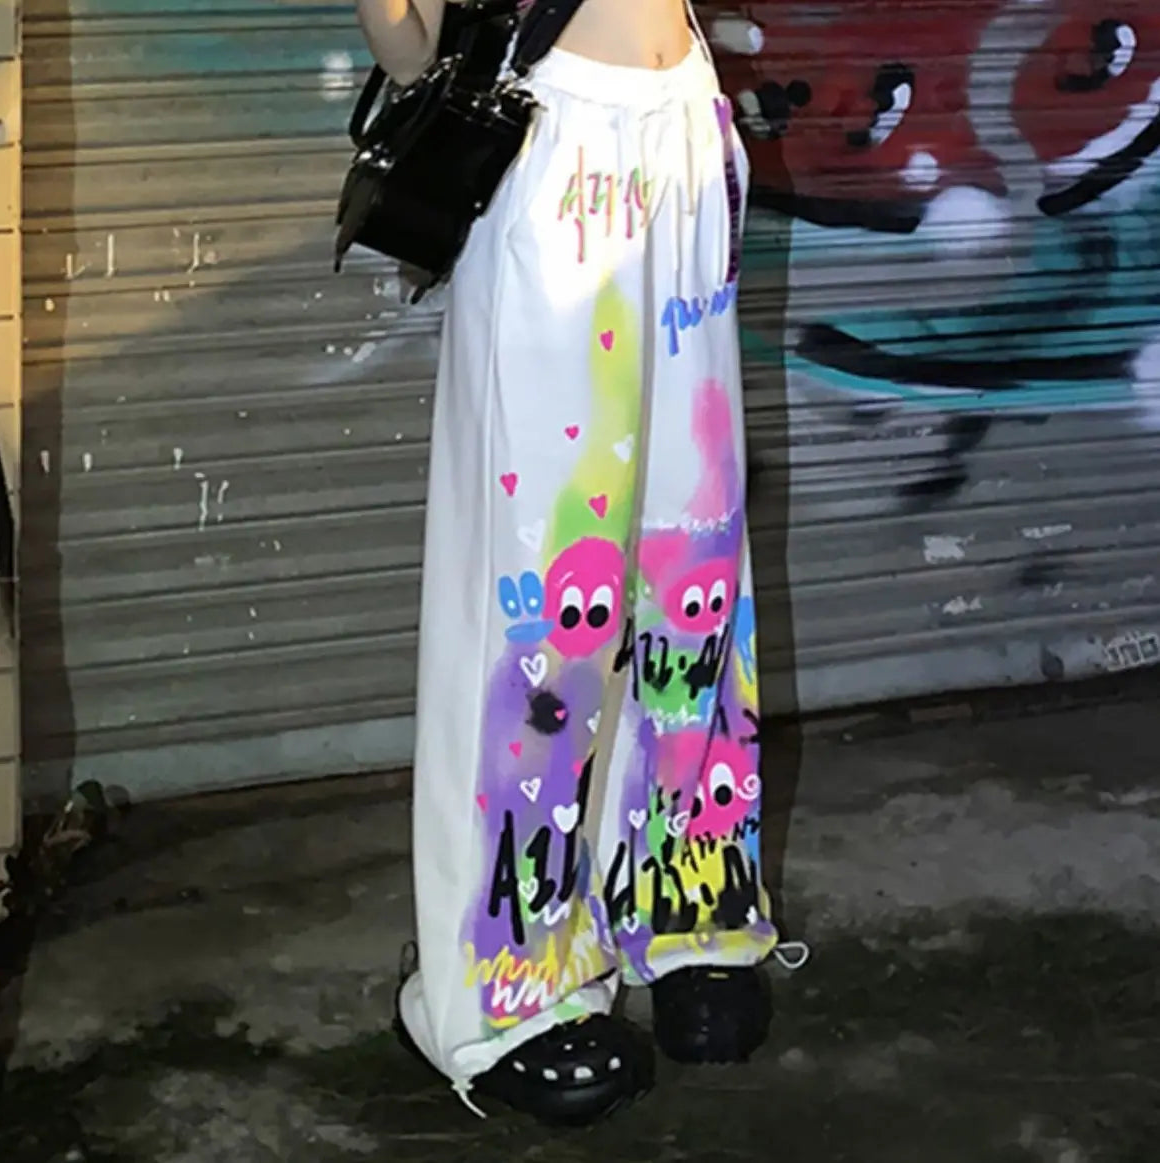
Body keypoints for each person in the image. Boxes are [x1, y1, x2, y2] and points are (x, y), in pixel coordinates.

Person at [356, 0, 784, 1126]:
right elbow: (409, 42)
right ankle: (503, 987)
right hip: (555, 149)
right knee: (542, 588)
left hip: (684, 124)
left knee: (693, 557)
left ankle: (686, 902)